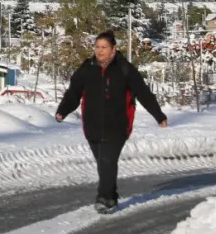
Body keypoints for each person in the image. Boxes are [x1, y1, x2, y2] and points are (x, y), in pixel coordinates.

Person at [55, 30, 168, 213]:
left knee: (107, 161)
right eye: (97, 47)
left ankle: (104, 199)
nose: (99, 51)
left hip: (117, 126)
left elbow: (143, 93)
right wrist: (62, 111)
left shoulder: (124, 69)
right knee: (103, 164)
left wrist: (159, 115)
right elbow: (74, 92)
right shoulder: (87, 67)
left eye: (104, 47)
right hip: (92, 126)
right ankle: (112, 195)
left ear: (113, 49)